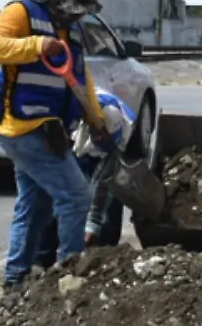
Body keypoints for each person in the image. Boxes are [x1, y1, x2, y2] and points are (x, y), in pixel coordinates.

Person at [0, 0, 104, 290]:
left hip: (50, 129)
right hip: (21, 126)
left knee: (35, 205)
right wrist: (36, 46)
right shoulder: (21, 12)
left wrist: (96, 119)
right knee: (77, 196)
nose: (77, 17)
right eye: (74, 9)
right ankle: (71, 271)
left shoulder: (71, 30)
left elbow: (80, 77)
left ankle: (15, 277)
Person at [34, 89, 136, 268]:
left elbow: (104, 182)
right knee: (64, 197)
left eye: (99, 135)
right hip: (73, 135)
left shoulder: (120, 127)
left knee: (111, 198)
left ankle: (105, 253)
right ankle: (44, 259)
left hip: (109, 140)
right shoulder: (72, 114)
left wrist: (93, 224)